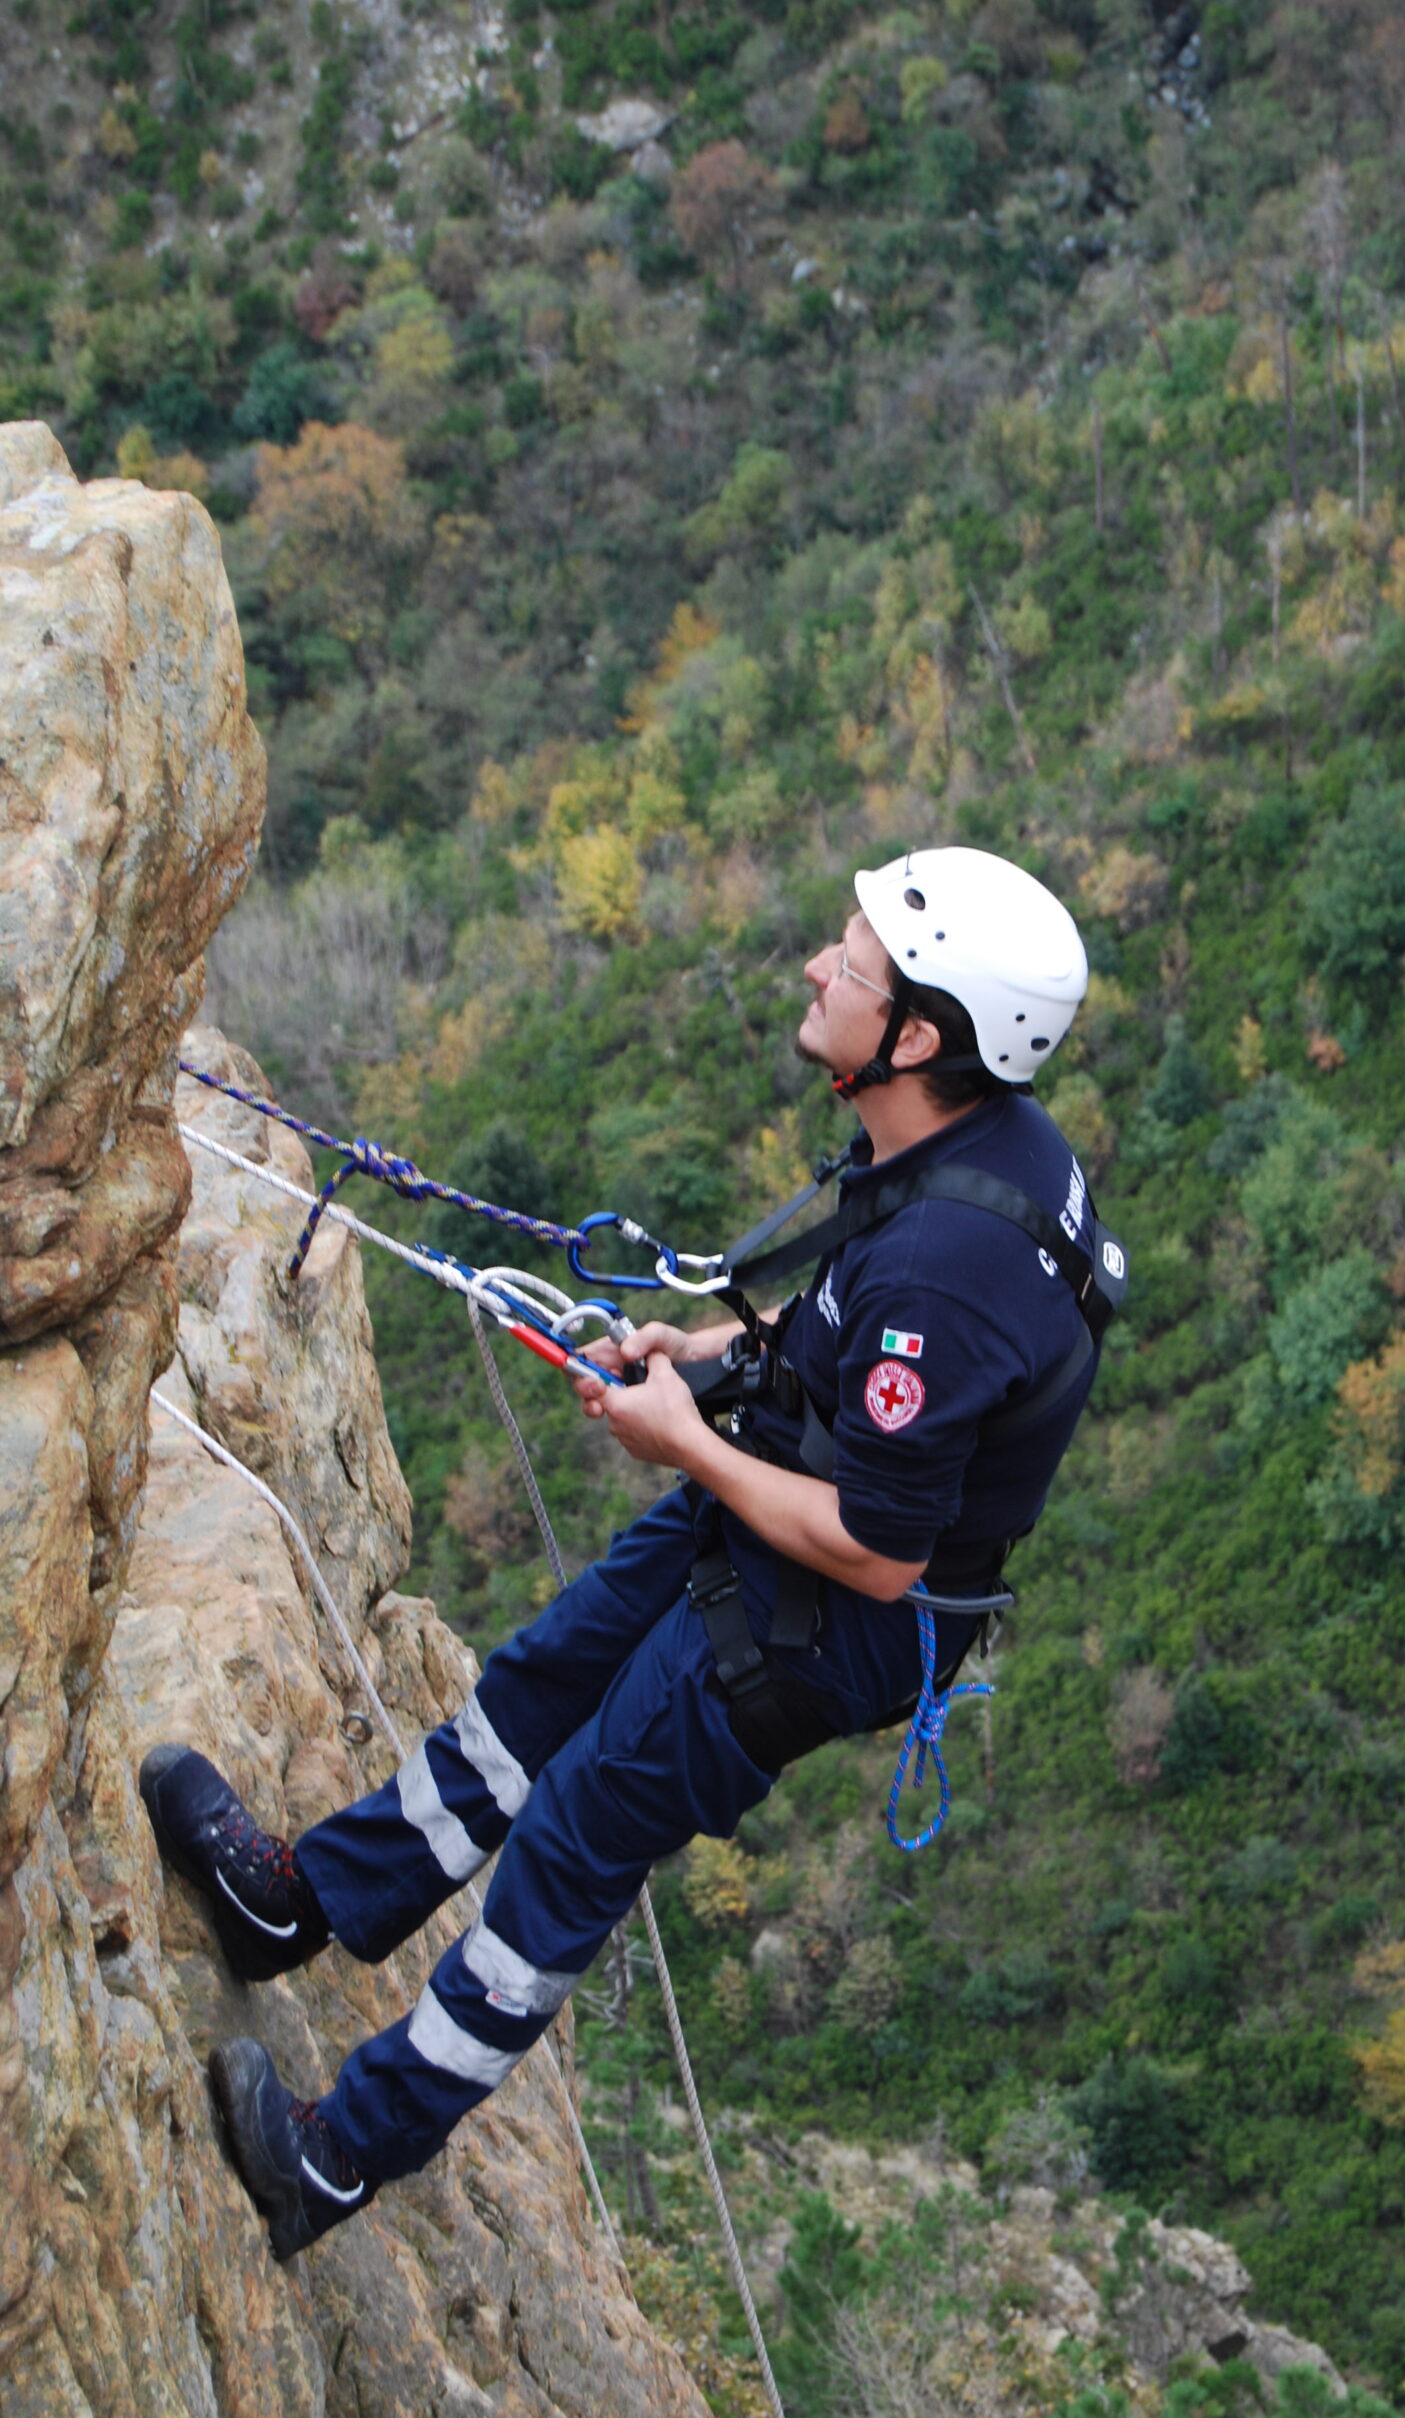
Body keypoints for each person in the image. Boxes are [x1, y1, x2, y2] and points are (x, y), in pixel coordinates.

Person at [141, 846, 1125, 2260]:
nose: (815, 966)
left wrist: (687, 1445)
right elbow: (849, 1327)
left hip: (827, 1609)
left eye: (850, 964)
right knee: (535, 1689)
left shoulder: (954, 1274)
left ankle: (336, 2159)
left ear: (918, 1037)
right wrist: (710, 1356)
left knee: (570, 1846)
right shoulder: (964, 1146)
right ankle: (295, 1906)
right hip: (780, 1486)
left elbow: (879, 1551)